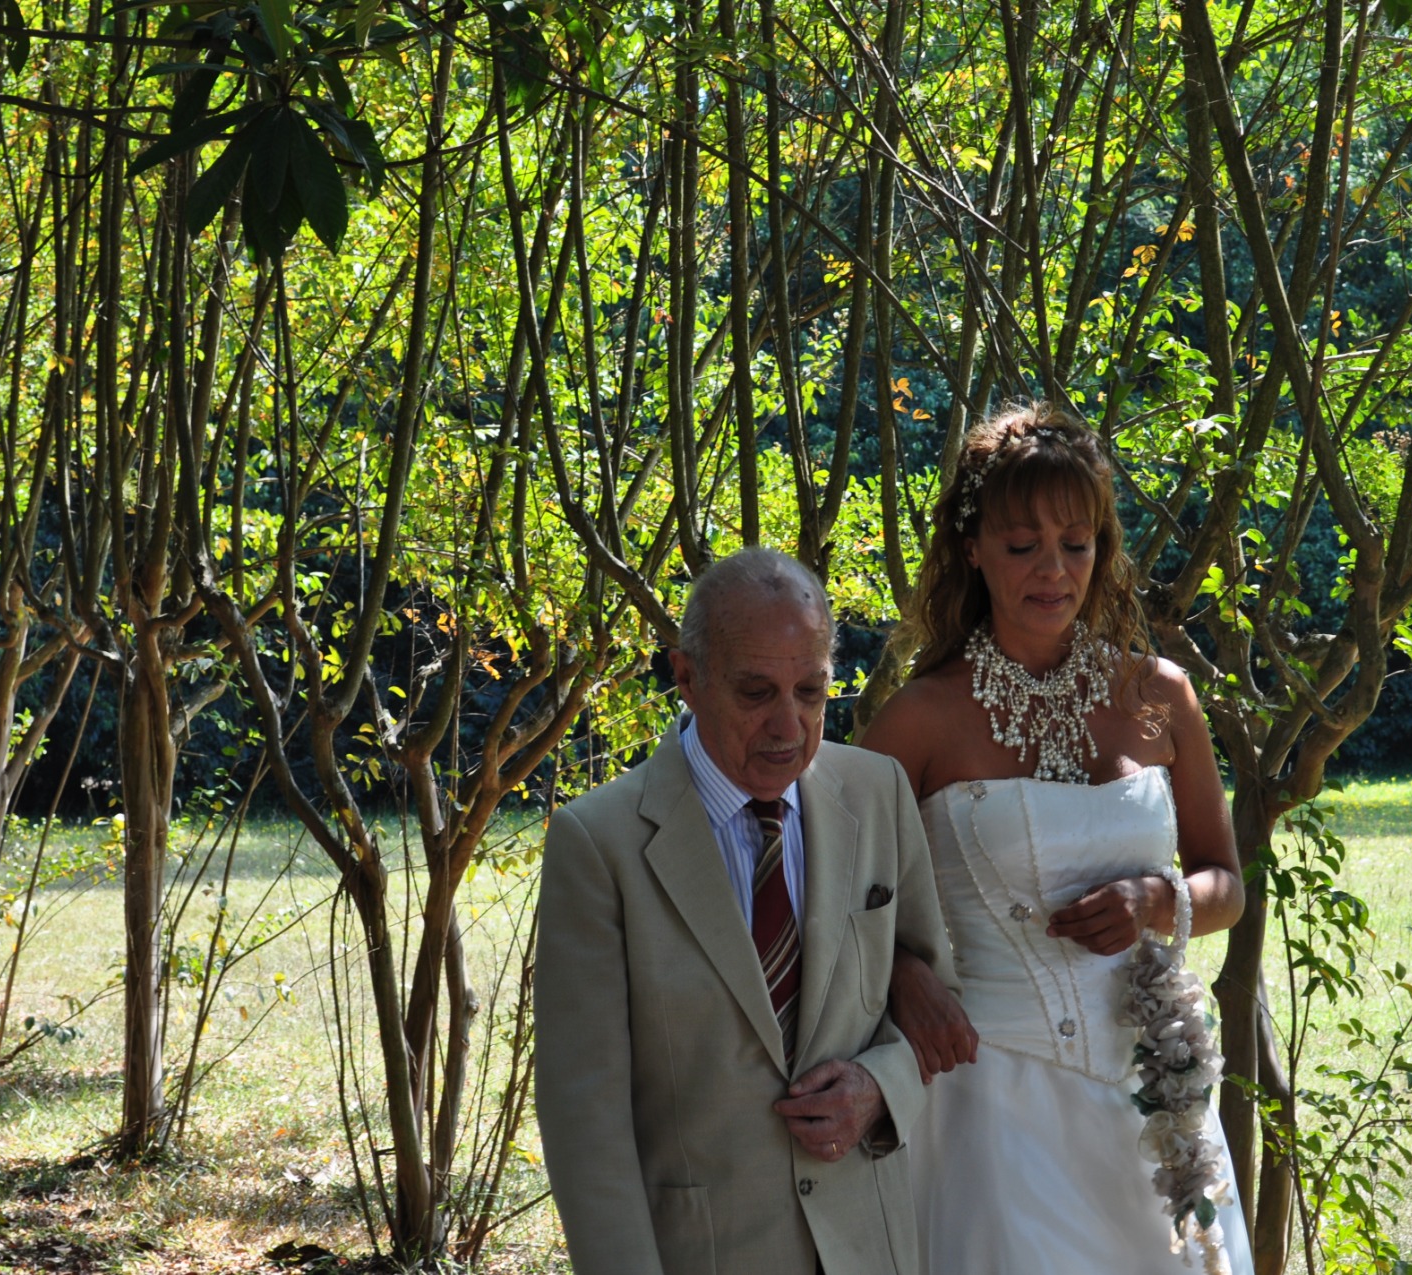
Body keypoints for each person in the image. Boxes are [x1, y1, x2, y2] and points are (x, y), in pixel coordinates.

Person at [860, 402, 1254, 1275]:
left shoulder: (1161, 696)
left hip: (1153, 1094)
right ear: (972, 547)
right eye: (1021, 544)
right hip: (992, 1101)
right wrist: (903, 976)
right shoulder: (921, 717)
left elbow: (1225, 883)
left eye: (1076, 543)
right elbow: (830, 891)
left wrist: (1159, 900)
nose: (1053, 569)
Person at [536, 548, 959, 1275]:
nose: (788, 726)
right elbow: (586, 1122)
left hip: (870, 1245)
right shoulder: (598, 843)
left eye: (811, 692)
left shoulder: (879, 793)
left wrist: (878, 1089)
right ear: (687, 678)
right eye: (757, 692)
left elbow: (933, 1006)